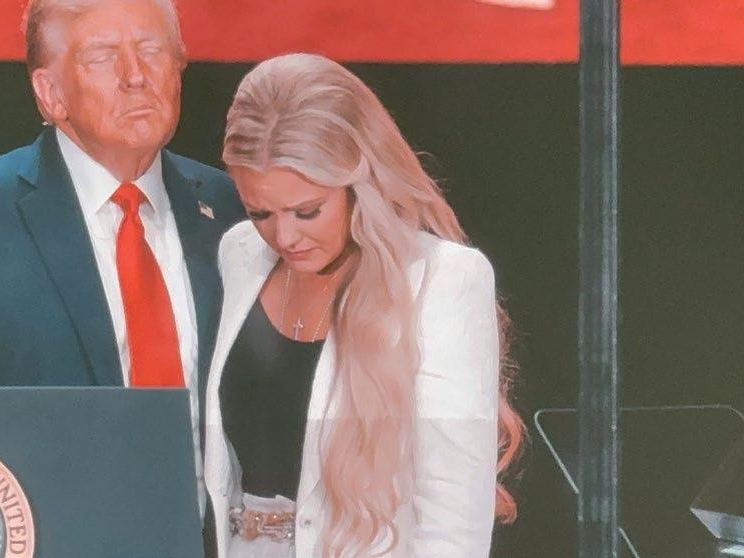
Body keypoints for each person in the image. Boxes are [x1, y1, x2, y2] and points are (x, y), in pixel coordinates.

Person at [0, 0, 244, 524]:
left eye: (152, 49)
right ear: (50, 94)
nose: (136, 76)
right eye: (103, 56)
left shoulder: (231, 208)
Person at [203, 53, 525, 558]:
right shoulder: (239, 255)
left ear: (360, 182)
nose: (284, 236)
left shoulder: (441, 280)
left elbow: (454, 518)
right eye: (260, 212)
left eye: (307, 211)